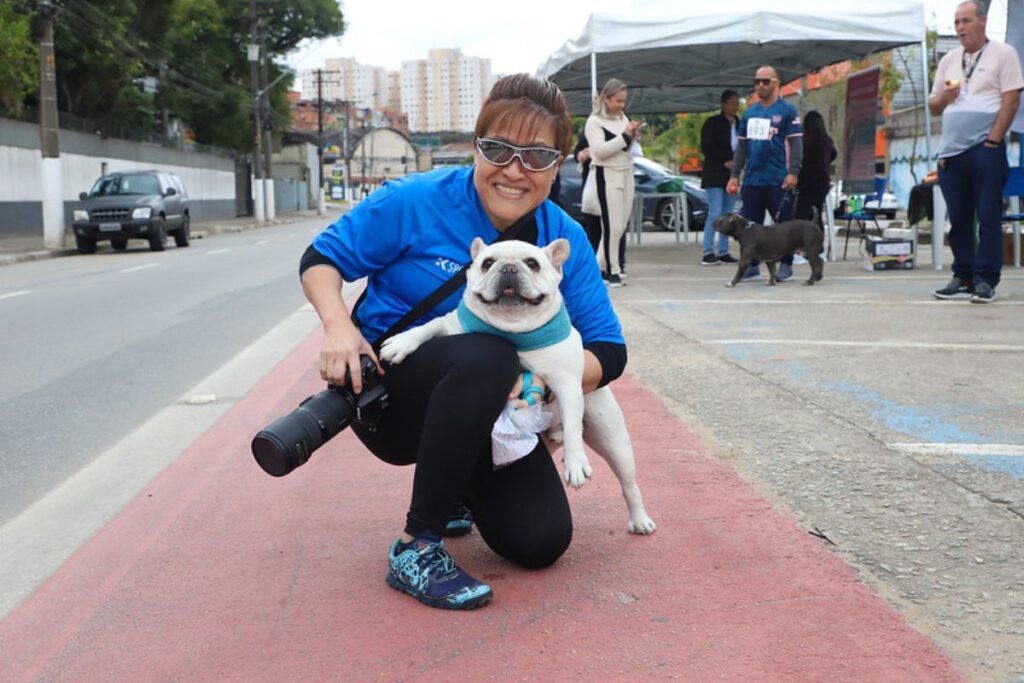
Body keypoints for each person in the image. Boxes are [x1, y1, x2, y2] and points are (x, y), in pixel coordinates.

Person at [298, 73, 627, 610]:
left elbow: (609, 351)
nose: (515, 170)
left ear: (560, 163)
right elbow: (321, 260)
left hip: (497, 412)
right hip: (392, 395)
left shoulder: (562, 236)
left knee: (541, 540)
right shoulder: (415, 199)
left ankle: (456, 489)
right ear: (476, 148)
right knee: (487, 353)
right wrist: (338, 326)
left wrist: (544, 386)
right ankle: (416, 543)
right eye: (498, 149)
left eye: (538, 155)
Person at [928, 0, 1023, 304]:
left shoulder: (1003, 54)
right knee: (958, 219)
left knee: (988, 215)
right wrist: (946, 95)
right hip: (951, 153)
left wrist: (994, 141)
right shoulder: (948, 60)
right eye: (956, 23)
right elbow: (933, 107)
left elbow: (1011, 99)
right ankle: (963, 276)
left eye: (966, 21)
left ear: (983, 21)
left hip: (985, 148)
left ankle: (985, 280)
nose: (960, 28)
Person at [726, 65, 804, 282]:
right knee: (749, 226)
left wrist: (794, 172)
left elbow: (796, 144)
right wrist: (734, 175)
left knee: (784, 226)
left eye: (765, 81)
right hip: (752, 180)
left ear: (776, 84)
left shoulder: (788, 111)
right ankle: (751, 265)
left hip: (778, 178)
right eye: (757, 81)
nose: (760, 85)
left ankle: (786, 265)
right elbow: (742, 147)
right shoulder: (750, 113)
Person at [585, 78, 644, 287]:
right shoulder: (594, 122)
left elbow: (625, 145)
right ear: (606, 99)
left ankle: (594, 267)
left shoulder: (622, 118)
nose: (621, 105)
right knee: (612, 225)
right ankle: (613, 269)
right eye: (617, 101)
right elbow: (599, 151)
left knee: (620, 226)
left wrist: (633, 136)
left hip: (626, 172)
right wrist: (625, 137)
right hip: (607, 173)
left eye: (623, 101)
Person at [699, 90, 742, 265]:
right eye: (731, 103)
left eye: (737, 103)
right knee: (715, 212)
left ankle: (723, 250)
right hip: (715, 172)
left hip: (732, 174)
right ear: (723, 104)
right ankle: (708, 250)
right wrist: (725, 159)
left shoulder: (739, 123)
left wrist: (737, 163)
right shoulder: (712, 123)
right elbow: (707, 147)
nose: (734, 107)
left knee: (728, 213)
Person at [795, 109, 837, 231]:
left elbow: (798, 159)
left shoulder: (805, 142)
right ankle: (818, 244)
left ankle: (804, 245)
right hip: (822, 184)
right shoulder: (827, 141)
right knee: (816, 215)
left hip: (806, 184)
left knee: (802, 216)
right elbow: (834, 154)